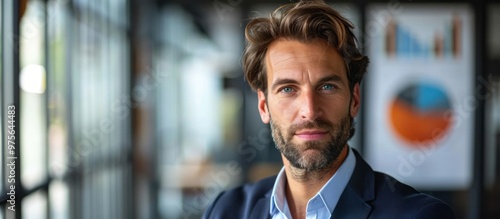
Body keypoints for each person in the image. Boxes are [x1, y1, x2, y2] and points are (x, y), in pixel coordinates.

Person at [203, 0, 456, 218]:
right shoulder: (224, 211)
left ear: (354, 99)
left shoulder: (419, 216)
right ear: (263, 106)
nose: (310, 112)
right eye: (288, 89)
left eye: (326, 87)